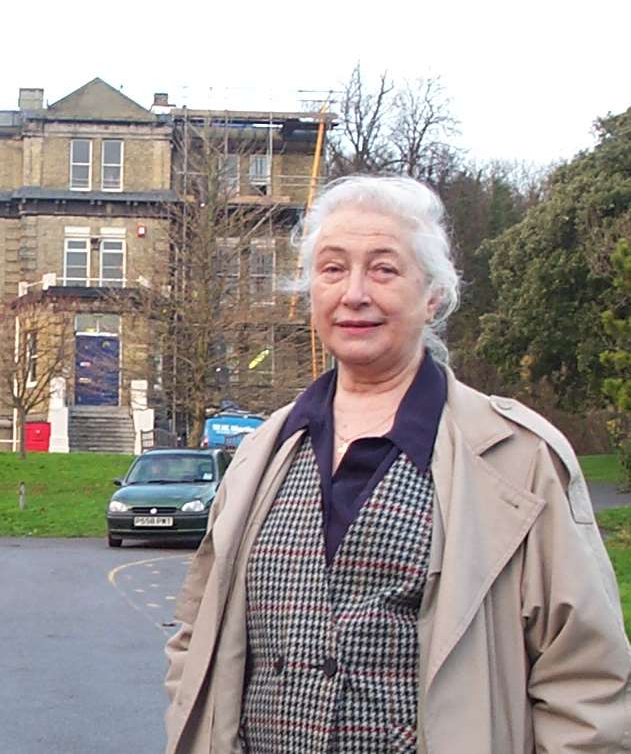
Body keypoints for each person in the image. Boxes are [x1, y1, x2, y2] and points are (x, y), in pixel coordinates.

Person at [163, 175, 631, 752]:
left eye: (383, 269)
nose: (354, 293)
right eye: (333, 269)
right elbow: (197, 638)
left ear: (432, 294)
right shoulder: (263, 452)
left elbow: (585, 679)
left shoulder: (518, 460)